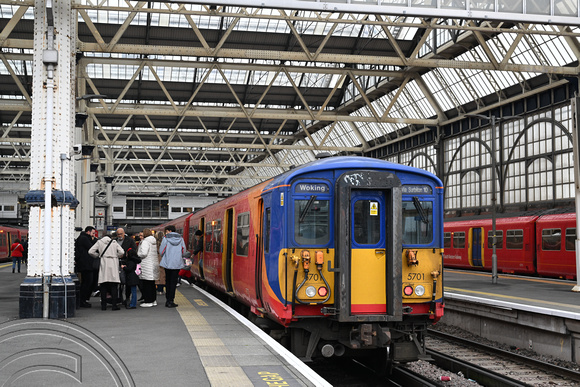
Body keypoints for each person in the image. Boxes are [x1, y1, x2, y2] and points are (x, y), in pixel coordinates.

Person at [89, 232, 125, 311]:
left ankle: (103, 305)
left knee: (103, 286)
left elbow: (91, 251)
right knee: (114, 285)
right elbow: (122, 252)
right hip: (113, 264)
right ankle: (114, 305)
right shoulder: (114, 242)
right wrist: (116, 255)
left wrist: (98, 255)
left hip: (104, 264)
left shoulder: (99, 242)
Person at [159, 225, 186, 308]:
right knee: (173, 282)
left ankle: (167, 300)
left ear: (169, 231)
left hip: (168, 263)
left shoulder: (166, 238)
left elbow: (161, 251)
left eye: (167, 231)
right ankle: (172, 300)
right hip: (177, 264)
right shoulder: (181, 239)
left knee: (168, 281)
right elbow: (183, 251)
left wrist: (166, 255)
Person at [74, 226, 97, 307]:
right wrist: (94, 241)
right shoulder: (84, 239)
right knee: (87, 282)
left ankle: (83, 300)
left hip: (84, 263)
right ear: (88, 232)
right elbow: (92, 248)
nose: (94, 235)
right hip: (86, 264)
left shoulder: (81, 238)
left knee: (86, 282)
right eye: (93, 233)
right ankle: (82, 300)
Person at [137, 228, 160, 307]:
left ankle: (148, 301)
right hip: (153, 264)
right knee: (152, 284)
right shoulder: (153, 242)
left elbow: (143, 253)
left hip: (147, 265)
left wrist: (138, 254)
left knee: (146, 284)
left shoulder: (145, 242)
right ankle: (153, 300)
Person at [117, 227, 137, 305]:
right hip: (117, 263)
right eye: (118, 234)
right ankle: (120, 297)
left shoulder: (130, 240)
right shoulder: (115, 241)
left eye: (121, 234)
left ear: (124, 233)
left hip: (127, 262)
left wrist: (125, 254)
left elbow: (133, 250)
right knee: (119, 282)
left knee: (127, 282)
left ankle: (127, 297)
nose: (119, 235)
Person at [155, 231, 166, 295]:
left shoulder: (154, 243)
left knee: (157, 275)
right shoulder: (165, 242)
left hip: (156, 260)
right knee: (162, 275)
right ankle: (161, 290)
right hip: (163, 260)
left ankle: (157, 288)